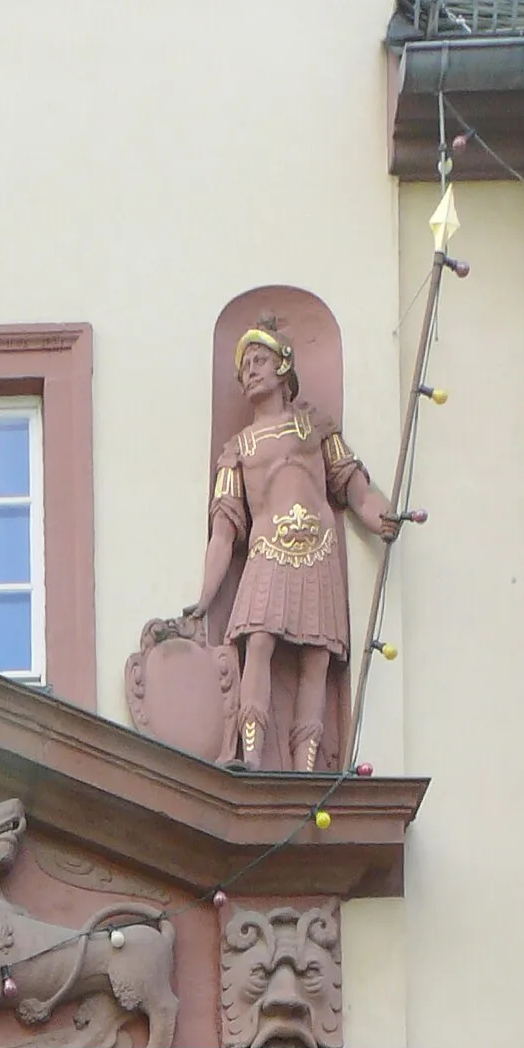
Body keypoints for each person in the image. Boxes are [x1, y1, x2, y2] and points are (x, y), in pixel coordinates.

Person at [185, 320, 400, 773]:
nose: (250, 373)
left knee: (316, 660)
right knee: (257, 644)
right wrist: (205, 598)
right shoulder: (237, 449)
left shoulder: (316, 428)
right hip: (266, 551)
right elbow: (223, 530)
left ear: (284, 366)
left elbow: (355, 488)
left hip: (318, 552)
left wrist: (381, 517)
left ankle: (306, 770)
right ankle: (253, 757)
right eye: (244, 367)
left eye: (259, 361)